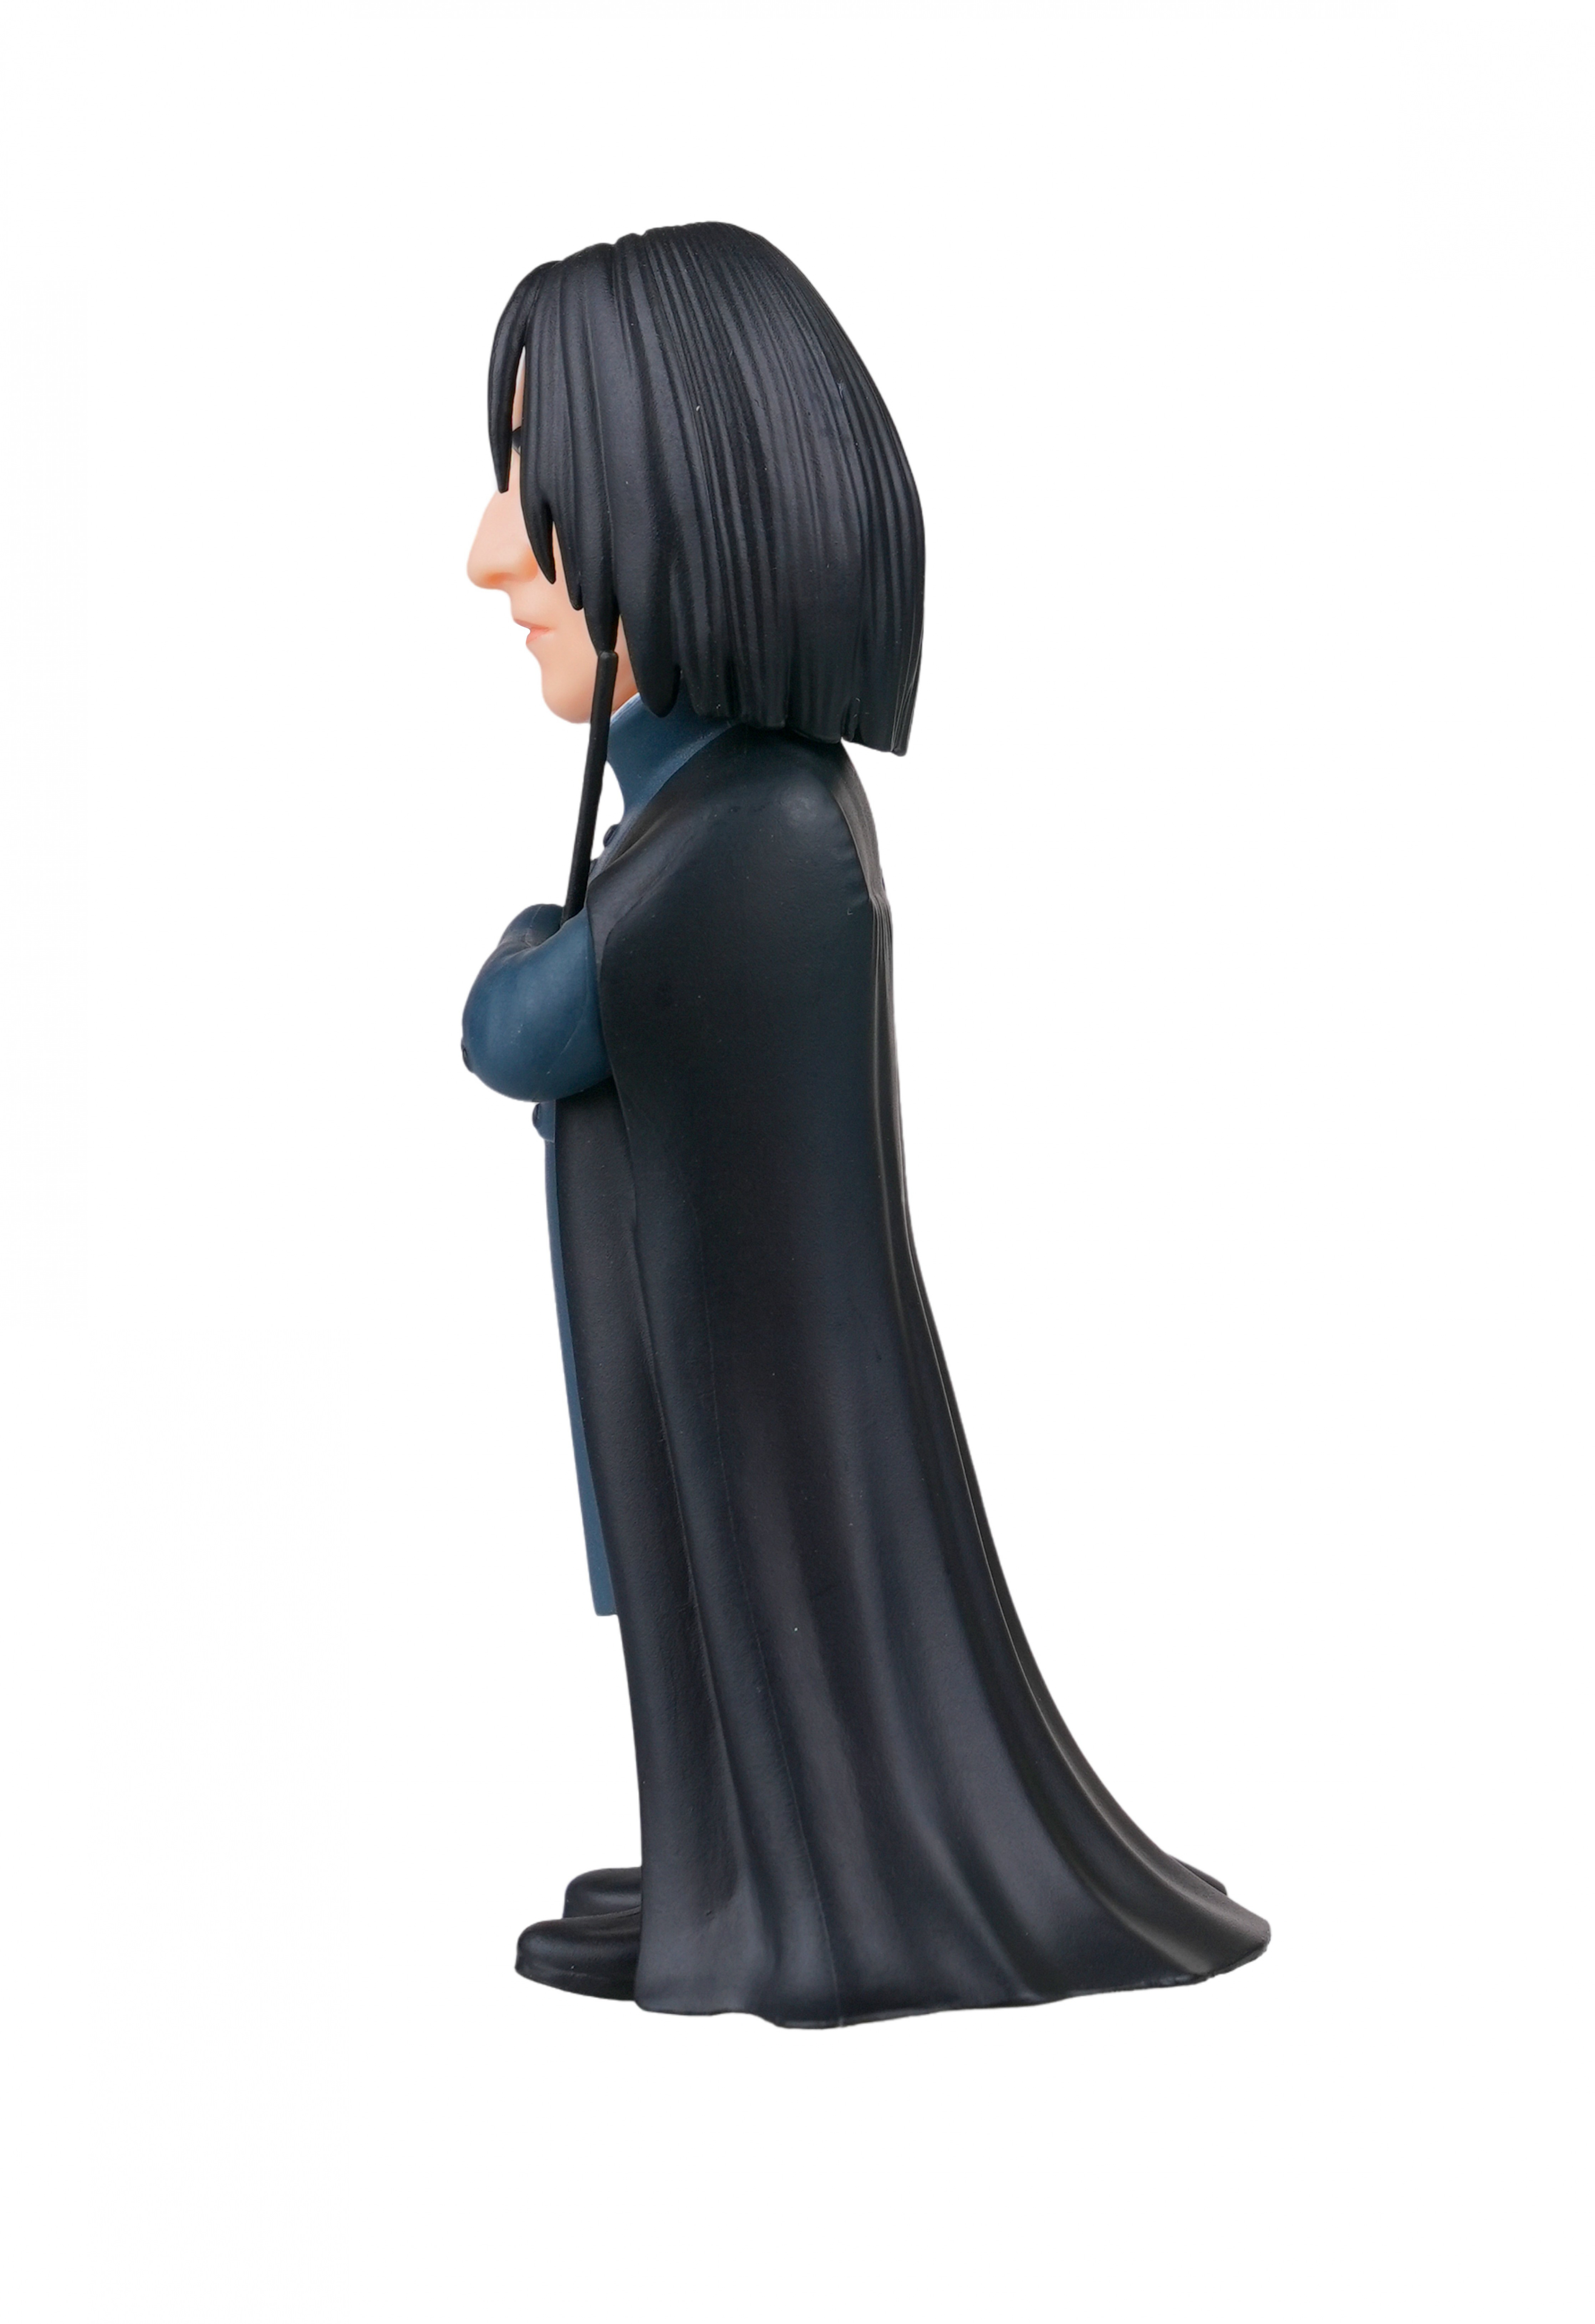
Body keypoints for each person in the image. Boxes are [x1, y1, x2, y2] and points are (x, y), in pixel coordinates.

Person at [461, 222, 1269, 2026]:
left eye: (540, 484)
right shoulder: (708, 813)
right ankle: (721, 1868)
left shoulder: (743, 837)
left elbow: (514, 1032)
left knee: (741, 1608)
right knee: (696, 1610)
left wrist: (528, 938)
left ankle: (779, 1893)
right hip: (704, 1374)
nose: (490, 553)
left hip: (752, 1396)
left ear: (679, 503)